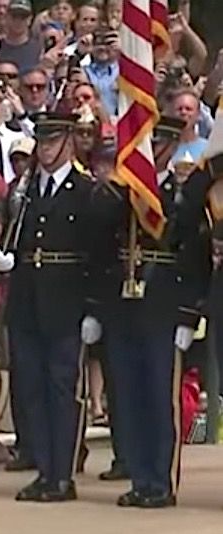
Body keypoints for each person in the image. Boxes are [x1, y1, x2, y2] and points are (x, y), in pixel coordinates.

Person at [86, 115, 211, 508]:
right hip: (125, 304)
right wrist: (97, 307)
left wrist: (189, 314)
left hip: (164, 306)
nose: (153, 150)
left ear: (172, 145)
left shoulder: (186, 192)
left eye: (159, 143)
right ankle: (139, 475)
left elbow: (195, 255)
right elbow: (105, 247)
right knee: (127, 393)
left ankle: (161, 480)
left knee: (160, 397)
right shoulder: (124, 191)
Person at [0, 111, 98, 503]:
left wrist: (92, 308)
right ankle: (43, 469)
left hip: (66, 301)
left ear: (69, 141)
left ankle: (63, 473)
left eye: (53, 141)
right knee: (31, 387)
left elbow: (94, 254)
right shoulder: (25, 190)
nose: (46, 149)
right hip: (28, 299)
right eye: (41, 141)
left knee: (62, 388)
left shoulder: (83, 190)